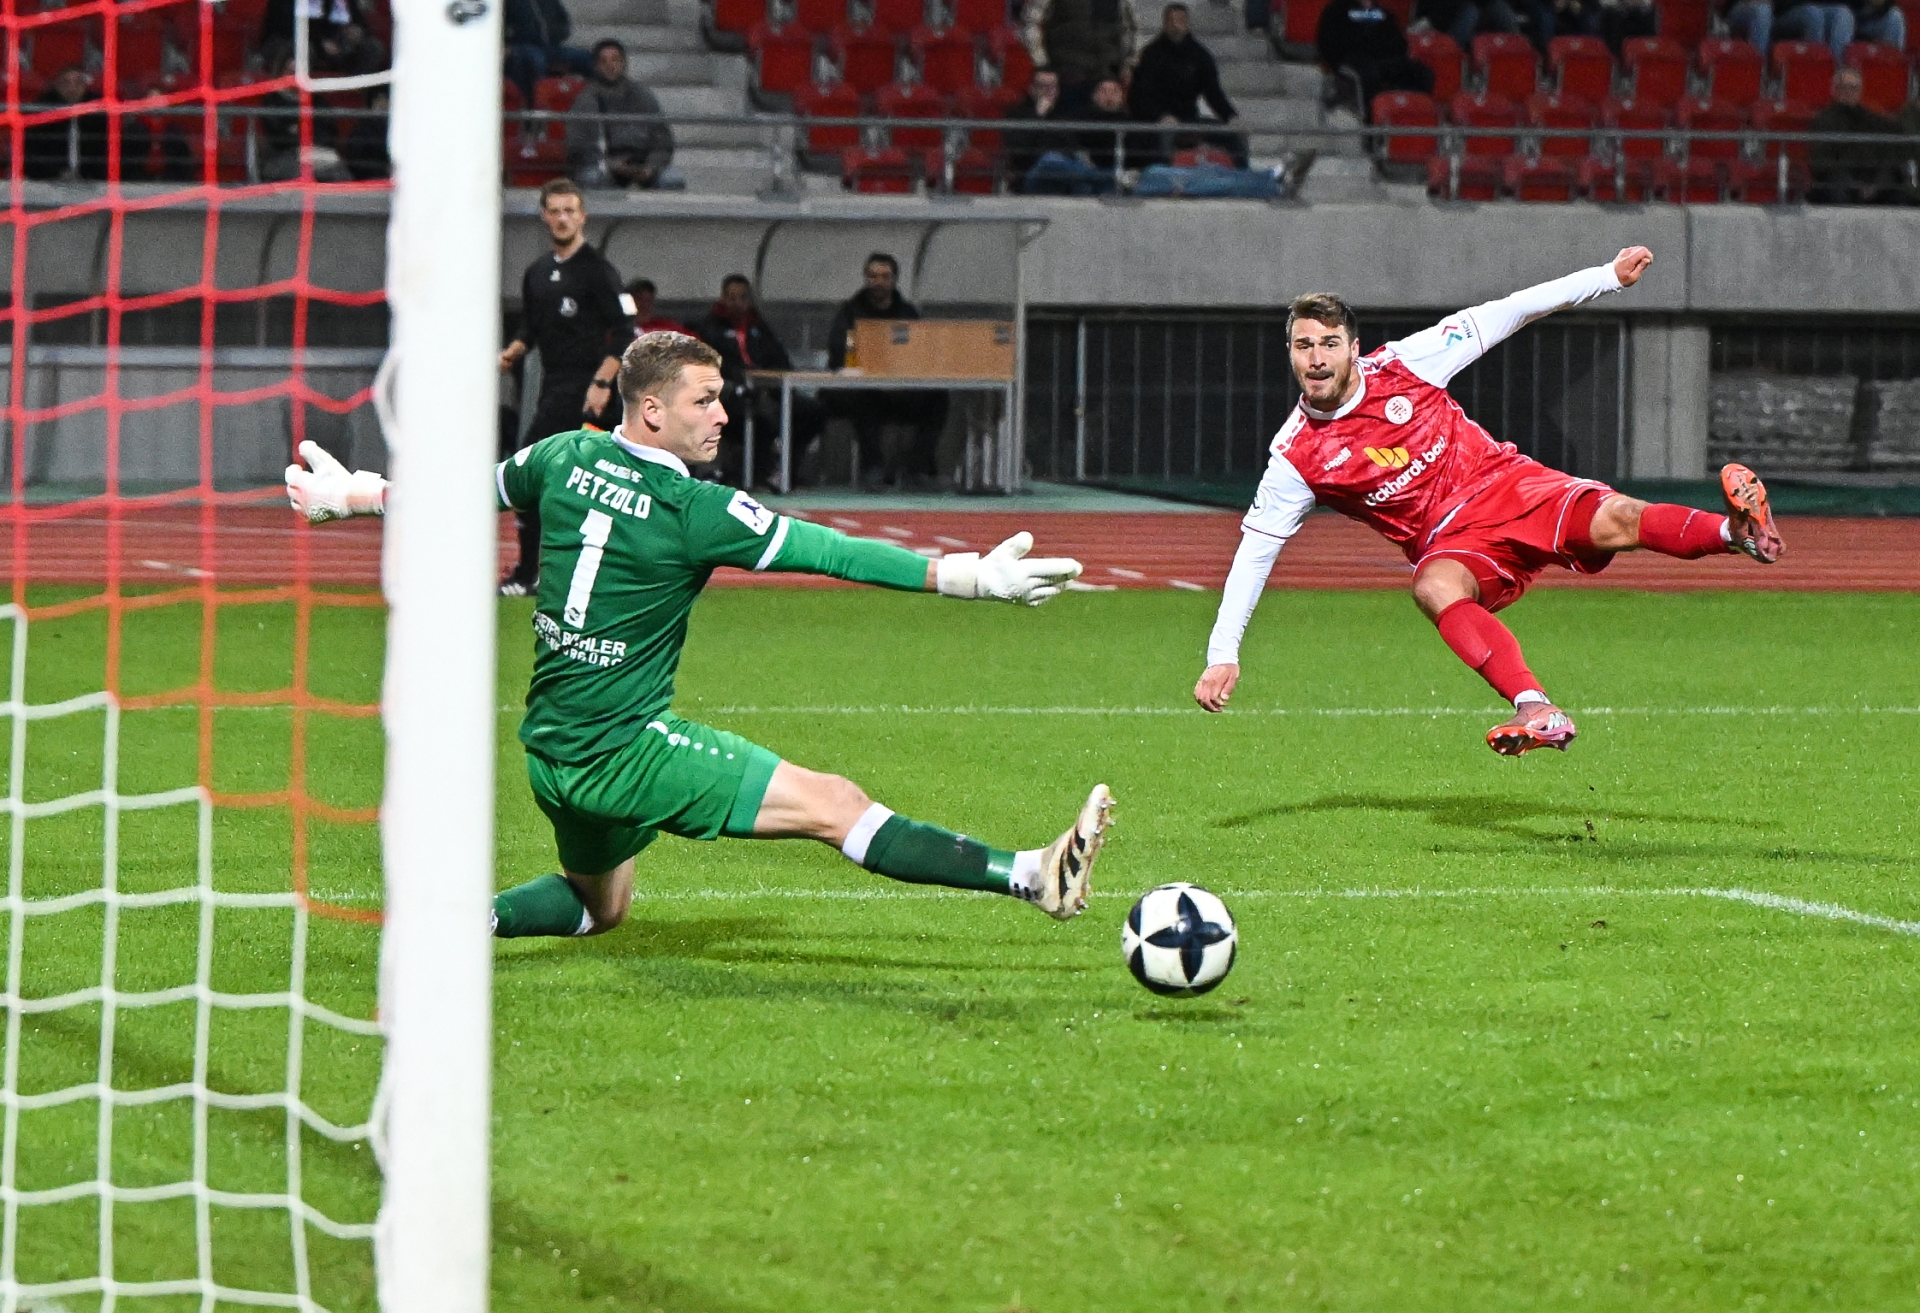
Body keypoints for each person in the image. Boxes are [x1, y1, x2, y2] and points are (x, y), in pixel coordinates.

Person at [284, 333, 1113, 939]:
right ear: (651, 410)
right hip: (625, 751)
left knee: (601, 905)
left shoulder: (562, 456)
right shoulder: (694, 510)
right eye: (703, 400)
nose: (722, 413)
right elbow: (832, 551)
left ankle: (459, 924)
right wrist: (968, 575)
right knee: (835, 803)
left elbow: (462, 493)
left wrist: (353, 495)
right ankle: (1031, 875)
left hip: (551, 753)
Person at [1193, 247, 1787, 757]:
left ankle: (1737, 535)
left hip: (1509, 485)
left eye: (1329, 343)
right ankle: (1535, 707)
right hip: (1454, 541)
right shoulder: (1296, 456)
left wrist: (1606, 277)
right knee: (1433, 586)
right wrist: (1223, 653)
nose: (1317, 358)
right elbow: (1254, 554)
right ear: (1290, 352)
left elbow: (1512, 310)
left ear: (1353, 347)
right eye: (1304, 346)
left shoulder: (1407, 363)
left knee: (1619, 519)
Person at [497, 179, 635, 594]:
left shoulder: (598, 271)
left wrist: (602, 382)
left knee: (532, 470)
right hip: (555, 388)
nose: (562, 218)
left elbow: (624, 331)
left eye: (569, 211)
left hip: (591, 392)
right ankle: (548, 571)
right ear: (544, 215)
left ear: (582, 216)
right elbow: (532, 325)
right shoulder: (538, 273)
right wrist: (513, 351)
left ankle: (531, 573)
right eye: (555, 211)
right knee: (570, 482)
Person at [824, 254, 951, 487]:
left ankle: (919, 468)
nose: (879, 282)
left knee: (937, 399)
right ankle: (873, 468)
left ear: (894, 280)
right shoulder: (850, 312)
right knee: (866, 399)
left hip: (901, 389)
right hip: (863, 389)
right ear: (866, 278)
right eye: (873, 276)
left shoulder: (907, 312)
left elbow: (921, 349)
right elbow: (837, 350)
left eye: (884, 276)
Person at [694, 274, 825, 488]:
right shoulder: (710, 328)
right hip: (731, 394)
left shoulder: (758, 326)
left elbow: (781, 360)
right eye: (732, 297)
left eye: (743, 297)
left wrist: (768, 376)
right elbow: (711, 366)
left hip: (769, 391)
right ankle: (758, 470)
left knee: (812, 411)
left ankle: (786, 467)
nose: (738, 303)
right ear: (723, 299)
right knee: (759, 412)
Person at [1129, 4, 1247, 165]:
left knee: (1232, 135)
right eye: (1172, 20)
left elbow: (1213, 93)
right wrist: (1160, 116)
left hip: (1189, 119)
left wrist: (1231, 116)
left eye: (1181, 20)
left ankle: (1242, 174)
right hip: (1157, 121)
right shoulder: (1151, 55)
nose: (1177, 25)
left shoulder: (1200, 55)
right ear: (1165, 23)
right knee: (1164, 137)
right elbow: (1140, 96)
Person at [566, 39, 679, 191]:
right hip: (603, 165)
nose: (610, 66)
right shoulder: (586, 100)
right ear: (596, 65)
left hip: (642, 164)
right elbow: (578, 147)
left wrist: (651, 167)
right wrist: (611, 164)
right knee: (592, 179)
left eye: (615, 60)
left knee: (672, 181)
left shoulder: (643, 96)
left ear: (624, 63)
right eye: (604, 61)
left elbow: (663, 141)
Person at [1313, 0, 1434, 120]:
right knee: (1369, 76)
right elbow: (1328, 44)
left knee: (1421, 73)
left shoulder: (1383, 13)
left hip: (1386, 60)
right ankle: (1372, 121)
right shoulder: (1336, 11)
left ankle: (1413, 115)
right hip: (1354, 61)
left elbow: (1400, 45)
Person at [1808, 66, 1903, 203]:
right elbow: (1822, 162)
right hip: (1839, 183)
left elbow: (1889, 157)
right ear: (1834, 90)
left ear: (1860, 90)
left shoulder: (1876, 121)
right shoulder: (1823, 120)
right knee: (1836, 189)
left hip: (1873, 183)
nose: (1849, 92)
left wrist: (1877, 185)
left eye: (1853, 88)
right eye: (1844, 87)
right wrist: (1854, 186)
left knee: (1899, 195)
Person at [1021, 0, 1138, 95]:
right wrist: (1042, 65)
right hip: (1064, 76)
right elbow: (1031, 23)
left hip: (1108, 78)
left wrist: (1127, 64)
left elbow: (1130, 28)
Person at [503, 0, 594, 105]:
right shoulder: (509, 2)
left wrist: (557, 34)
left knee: (584, 57)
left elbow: (564, 21)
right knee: (536, 60)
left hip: (552, 47)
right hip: (521, 46)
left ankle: (591, 100)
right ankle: (535, 104)